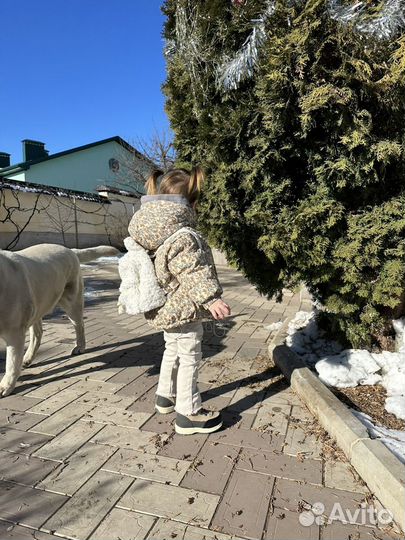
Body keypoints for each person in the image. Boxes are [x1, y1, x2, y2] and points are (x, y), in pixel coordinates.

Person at [128, 167, 230, 435]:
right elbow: (192, 270)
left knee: (171, 349)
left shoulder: (150, 230)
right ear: (191, 203)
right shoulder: (183, 235)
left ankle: (165, 396)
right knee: (189, 356)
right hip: (183, 308)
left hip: (164, 306)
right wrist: (212, 299)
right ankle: (188, 412)